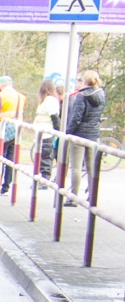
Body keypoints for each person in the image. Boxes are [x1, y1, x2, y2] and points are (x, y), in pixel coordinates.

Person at [65, 70, 106, 203]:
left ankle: (73, 197)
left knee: (76, 167)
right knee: (91, 167)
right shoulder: (101, 94)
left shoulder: (81, 96)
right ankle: (92, 196)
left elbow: (76, 117)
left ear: (85, 81)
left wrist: (68, 132)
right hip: (93, 134)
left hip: (79, 135)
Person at [0, 75, 21, 196]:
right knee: (10, 160)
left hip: (1, 131)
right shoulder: (19, 96)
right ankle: (6, 186)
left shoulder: (0, 96)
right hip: (16, 130)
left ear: (1, 84)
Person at [35, 79, 61, 181]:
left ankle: (45, 179)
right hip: (42, 132)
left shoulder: (49, 101)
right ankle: (42, 178)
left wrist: (57, 131)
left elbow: (54, 117)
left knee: (46, 157)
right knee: (43, 157)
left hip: (47, 133)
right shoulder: (45, 100)